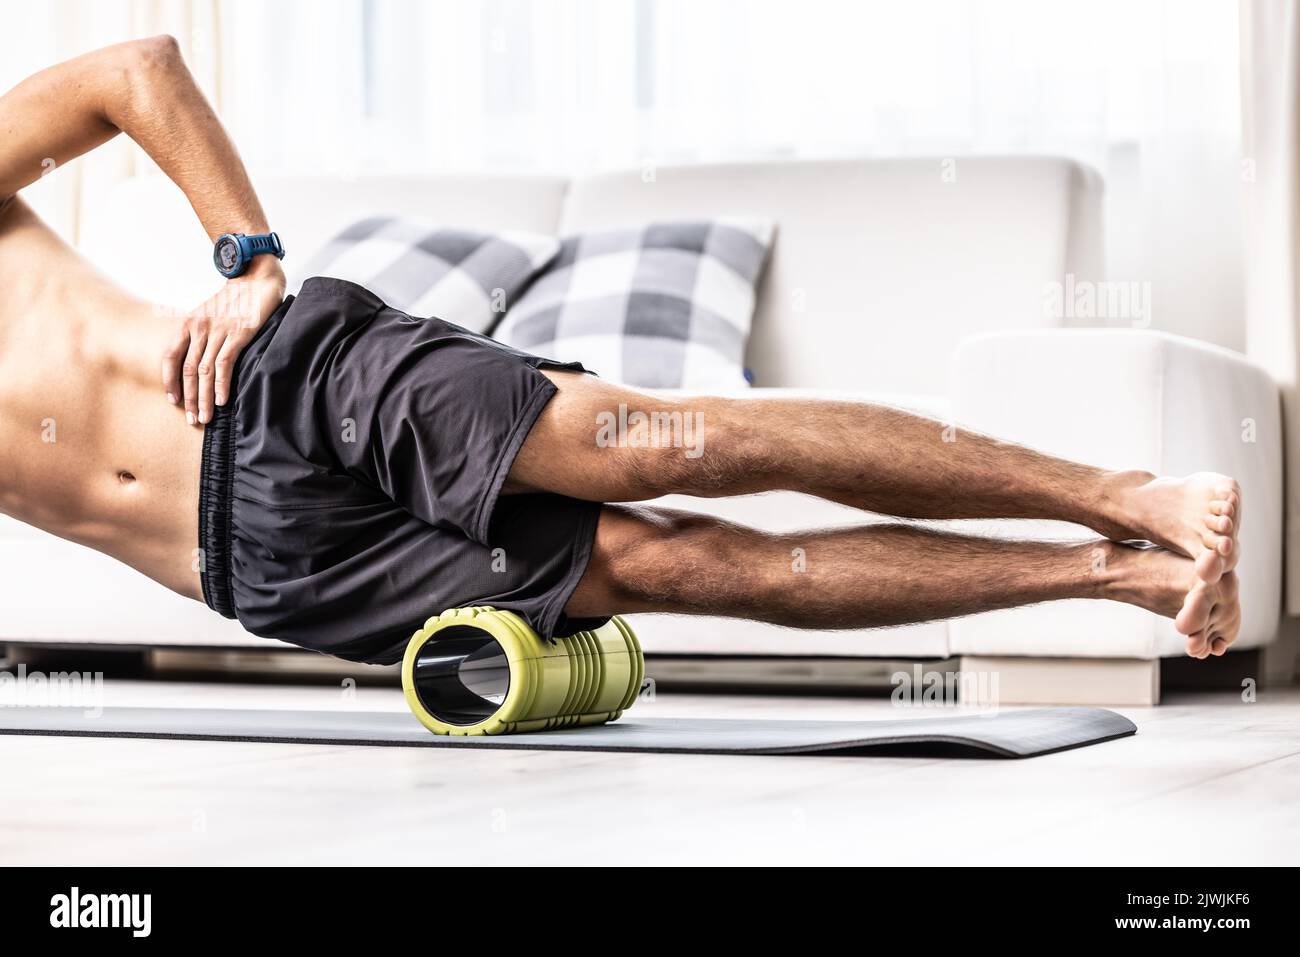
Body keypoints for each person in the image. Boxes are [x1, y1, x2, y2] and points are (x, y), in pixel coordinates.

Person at [0, 38, 1241, 665]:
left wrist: (246, 256)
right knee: (696, 574)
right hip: (268, 570)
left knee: (673, 448)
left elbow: (135, 70)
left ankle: (1130, 496)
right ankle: (1115, 577)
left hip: (285, 393)